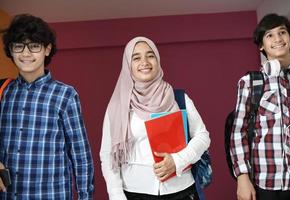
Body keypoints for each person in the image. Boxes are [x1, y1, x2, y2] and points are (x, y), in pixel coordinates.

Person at [100, 36, 210, 200]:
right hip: (134, 193)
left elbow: (203, 136)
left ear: (157, 60)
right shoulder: (117, 106)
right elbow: (108, 154)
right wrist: (116, 195)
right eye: (136, 58)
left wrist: (176, 161)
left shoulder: (178, 98)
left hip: (182, 191)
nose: (144, 62)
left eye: (150, 55)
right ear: (128, 65)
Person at [0, 14, 94, 199]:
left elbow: (81, 156)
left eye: (34, 46)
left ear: (47, 49)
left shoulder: (65, 95)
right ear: (11, 50)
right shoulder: (3, 92)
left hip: (51, 195)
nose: (26, 53)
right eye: (19, 46)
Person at [230, 13, 290, 200]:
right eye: (269, 35)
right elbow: (238, 132)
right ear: (261, 45)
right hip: (266, 183)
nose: (277, 39)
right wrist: (242, 178)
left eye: (282, 32)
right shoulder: (250, 82)